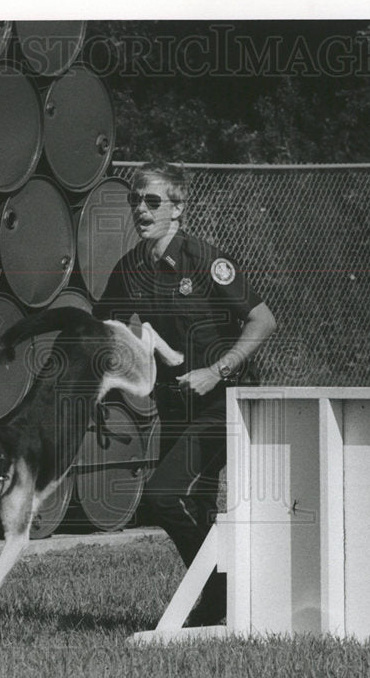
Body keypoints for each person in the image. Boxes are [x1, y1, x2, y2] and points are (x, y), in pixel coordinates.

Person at [93, 161, 277, 626]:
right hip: (175, 403)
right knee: (193, 503)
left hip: (225, 400)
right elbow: (105, 329)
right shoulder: (130, 267)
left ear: (178, 208)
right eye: (135, 200)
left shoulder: (205, 261)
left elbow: (263, 320)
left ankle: (227, 591)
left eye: (152, 201)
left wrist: (218, 370)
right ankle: (222, 607)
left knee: (164, 495)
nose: (141, 209)